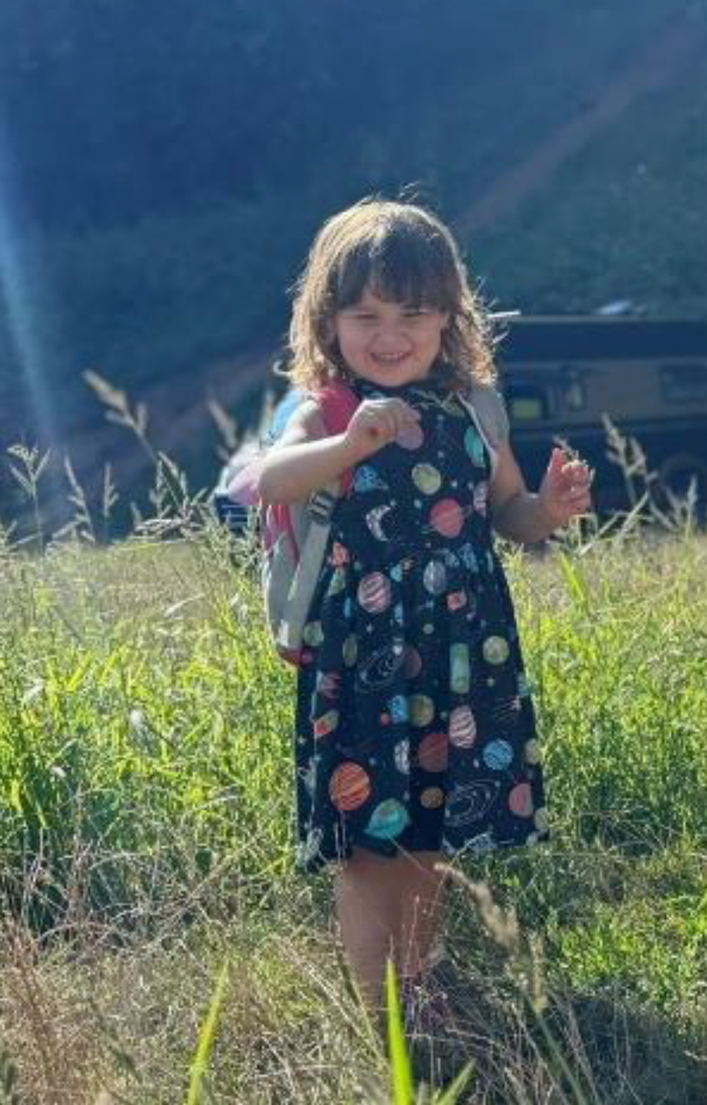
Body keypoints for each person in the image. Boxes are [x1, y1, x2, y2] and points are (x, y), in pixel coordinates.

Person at [252, 199, 593, 1019]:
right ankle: (382, 1013)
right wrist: (351, 444)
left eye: (413, 311)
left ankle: (421, 983)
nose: (390, 333)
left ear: (449, 315)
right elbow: (269, 481)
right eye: (365, 313)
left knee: (430, 830)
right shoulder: (328, 410)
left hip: (461, 652)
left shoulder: (474, 409)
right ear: (328, 322)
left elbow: (504, 513)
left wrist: (546, 511)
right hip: (365, 656)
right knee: (372, 838)